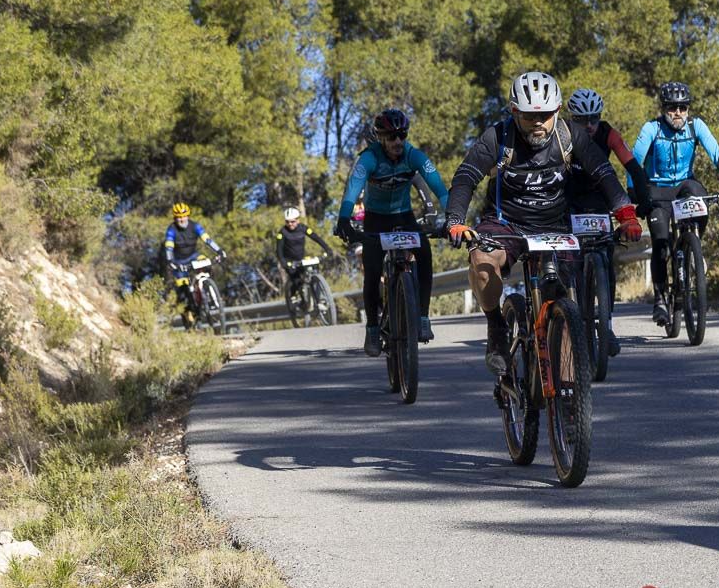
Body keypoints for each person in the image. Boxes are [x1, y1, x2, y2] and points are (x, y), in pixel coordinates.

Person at [445, 72, 644, 374]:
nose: (538, 122)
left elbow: (603, 173)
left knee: (564, 299)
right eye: (529, 115)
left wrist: (626, 214)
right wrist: (456, 220)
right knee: (482, 261)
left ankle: (568, 391)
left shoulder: (570, 134)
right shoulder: (498, 137)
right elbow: (466, 176)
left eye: (545, 114)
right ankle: (496, 327)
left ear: (558, 110)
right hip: (505, 222)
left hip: (556, 225)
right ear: (514, 112)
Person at [334, 109, 449, 356]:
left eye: (402, 135)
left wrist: (454, 216)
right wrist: (344, 218)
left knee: (425, 255)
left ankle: (423, 318)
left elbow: (439, 187)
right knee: (372, 272)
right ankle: (373, 330)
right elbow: (353, 189)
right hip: (376, 220)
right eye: (391, 137)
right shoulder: (369, 159)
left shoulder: (414, 155)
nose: (398, 141)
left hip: (403, 216)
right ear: (381, 138)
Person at [631, 82, 719, 326]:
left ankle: (693, 243)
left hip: (684, 187)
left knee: (697, 192)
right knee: (660, 244)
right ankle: (660, 297)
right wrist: (633, 191)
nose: (678, 112)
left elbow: (717, 155)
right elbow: (634, 161)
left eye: (683, 107)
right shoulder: (651, 128)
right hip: (657, 190)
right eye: (672, 108)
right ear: (663, 109)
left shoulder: (696, 126)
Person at [565, 88, 652, 356]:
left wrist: (645, 201)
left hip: (601, 199)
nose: (590, 125)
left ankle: (607, 324)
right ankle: (572, 320)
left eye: (594, 118)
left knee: (607, 261)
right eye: (583, 120)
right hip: (571, 199)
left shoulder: (608, 133)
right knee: (572, 263)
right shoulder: (562, 135)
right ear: (573, 119)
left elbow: (633, 167)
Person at [164, 203, 226, 310]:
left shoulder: (195, 226)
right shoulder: (171, 230)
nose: (182, 219)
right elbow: (169, 246)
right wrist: (170, 261)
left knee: (206, 263)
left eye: (184, 216)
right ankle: (188, 310)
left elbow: (207, 239)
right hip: (178, 261)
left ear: (188, 216)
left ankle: (209, 291)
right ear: (175, 218)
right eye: (179, 217)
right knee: (183, 289)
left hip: (193, 256)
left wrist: (219, 251)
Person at [275, 206, 336, 305]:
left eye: (293, 221)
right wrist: (283, 262)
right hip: (289, 261)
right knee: (296, 279)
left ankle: (319, 297)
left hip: (301, 259)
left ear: (298, 220)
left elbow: (316, 238)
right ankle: (293, 295)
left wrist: (327, 249)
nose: (290, 224)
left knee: (310, 274)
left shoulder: (303, 228)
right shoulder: (282, 233)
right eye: (287, 222)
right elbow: (279, 250)